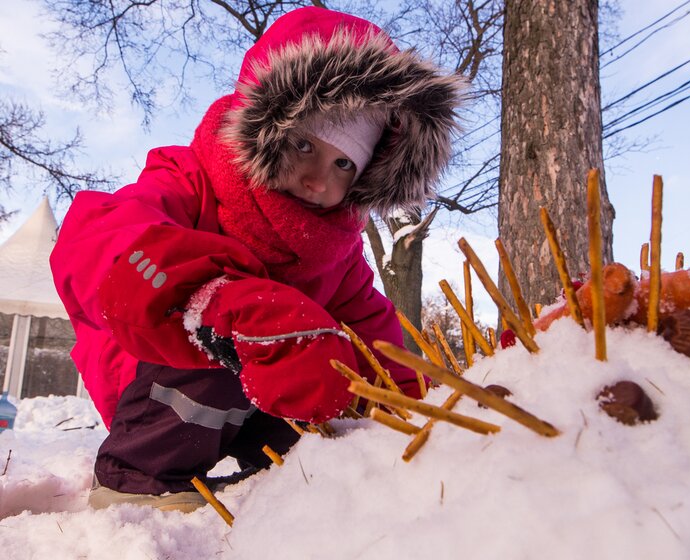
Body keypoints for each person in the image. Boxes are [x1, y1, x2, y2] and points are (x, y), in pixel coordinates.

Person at [49, 7, 466, 512]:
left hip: (261, 396)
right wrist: (216, 300)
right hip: (153, 369)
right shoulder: (190, 179)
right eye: (304, 145)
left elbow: (372, 340)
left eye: (343, 164)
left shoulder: (337, 250)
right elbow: (103, 242)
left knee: (336, 390)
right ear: (266, 131)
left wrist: (412, 413)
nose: (319, 180)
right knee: (218, 352)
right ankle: (137, 480)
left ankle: (289, 485)